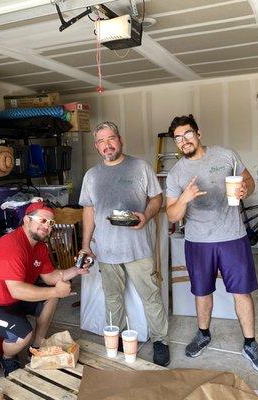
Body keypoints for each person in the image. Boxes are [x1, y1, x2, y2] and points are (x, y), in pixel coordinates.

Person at [165, 114, 258, 373]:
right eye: (178, 138)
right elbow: (171, 215)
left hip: (232, 237)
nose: (183, 141)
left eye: (187, 134)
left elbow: (248, 181)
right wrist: (185, 199)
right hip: (198, 241)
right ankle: (203, 334)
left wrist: (246, 189)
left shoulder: (225, 155)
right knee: (202, 292)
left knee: (241, 291)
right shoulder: (177, 174)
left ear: (198, 134)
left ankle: (250, 343)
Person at [79, 121, 170, 366]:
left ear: (120, 140)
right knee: (112, 298)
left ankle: (161, 340)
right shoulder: (92, 176)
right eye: (101, 141)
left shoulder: (139, 167)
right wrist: (86, 245)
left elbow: (156, 197)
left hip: (138, 249)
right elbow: (88, 211)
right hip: (106, 251)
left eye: (111, 139)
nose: (107, 145)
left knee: (150, 295)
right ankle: (115, 339)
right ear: (97, 147)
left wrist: (146, 215)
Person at [0, 202, 89, 376]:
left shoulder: (40, 247)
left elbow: (50, 277)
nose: (47, 226)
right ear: (26, 220)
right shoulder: (12, 246)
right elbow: (18, 291)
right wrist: (56, 291)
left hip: (8, 301)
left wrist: (76, 270)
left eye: (51, 223)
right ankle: (7, 358)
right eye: (42, 220)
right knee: (23, 333)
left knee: (51, 298)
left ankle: (36, 348)